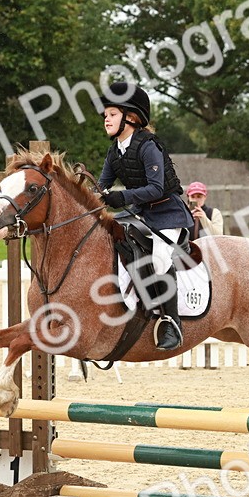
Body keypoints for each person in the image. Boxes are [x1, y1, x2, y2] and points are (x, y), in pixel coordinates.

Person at [96, 82, 192, 351]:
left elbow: (157, 187)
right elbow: (101, 187)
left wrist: (121, 197)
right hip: (139, 214)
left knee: (160, 262)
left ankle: (172, 323)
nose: (106, 119)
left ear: (131, 117)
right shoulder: (114, 151)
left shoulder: (148, 145)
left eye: (112, 114)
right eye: (105, 115)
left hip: (167, 214)